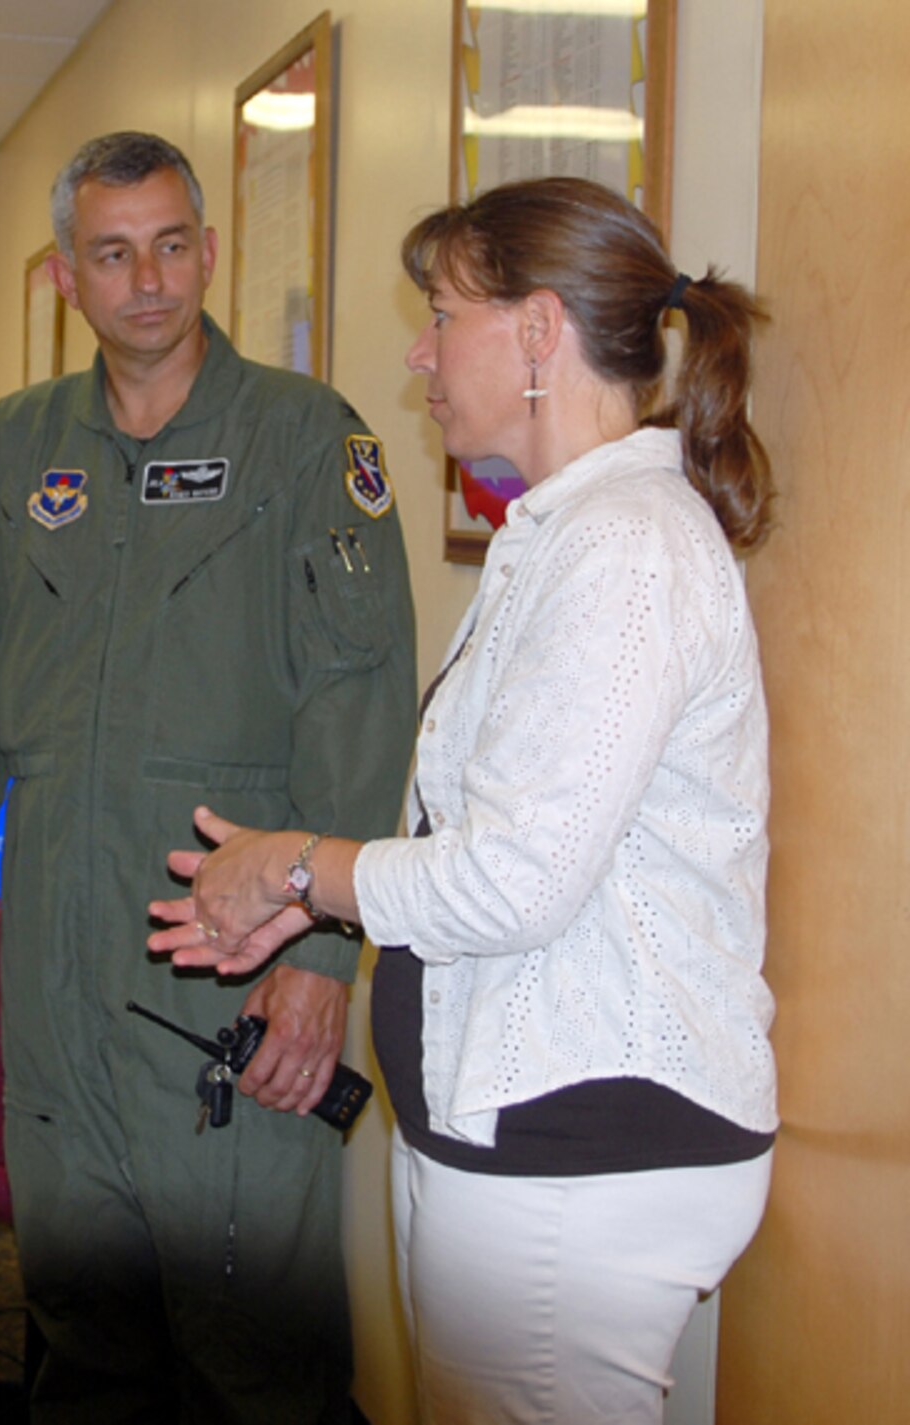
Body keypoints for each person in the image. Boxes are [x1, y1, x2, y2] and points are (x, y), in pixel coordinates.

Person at [152, 176, 778, 1424]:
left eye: (441, 316)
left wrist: (296, 869)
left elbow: (514, 882)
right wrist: (323, 899)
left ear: (537, 332)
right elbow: (498, 843)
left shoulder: (624, 550)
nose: (417, 351)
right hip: (528, 1134)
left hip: (584, 1150)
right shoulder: (559, 536)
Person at [0, 131, 417, 1422]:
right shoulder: (20, 448)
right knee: (85, 1335)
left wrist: (320, 962)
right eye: (115, 253)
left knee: (258, 1339)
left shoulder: (305, 438)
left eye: (173, 246)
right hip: (61, 968)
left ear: (210, 252)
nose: (150, 281)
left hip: (226, 958)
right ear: (67, 274)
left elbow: (359, 708)